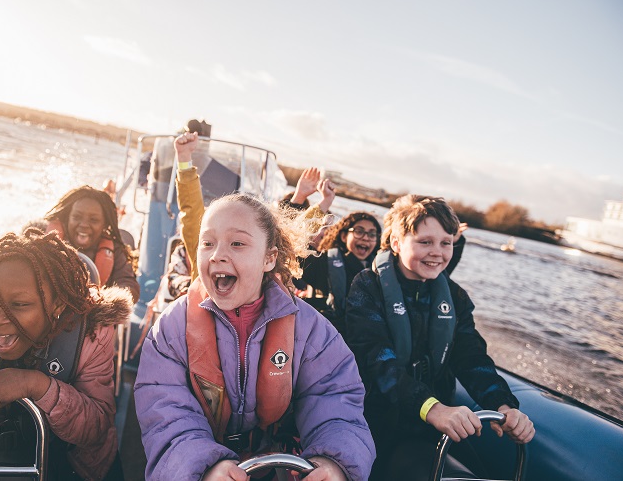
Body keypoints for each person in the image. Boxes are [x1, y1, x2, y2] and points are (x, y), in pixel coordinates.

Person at [133, 193, 375, 481]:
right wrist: (204, 466)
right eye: (207, 243)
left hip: (276, 462)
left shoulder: (312, 331)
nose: (217, 254)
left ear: (269, 258)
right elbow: (166, 413)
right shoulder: (171, 330)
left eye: (237, 243)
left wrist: (334, 462)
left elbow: (336, 401)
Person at [345, 195, 535, 480]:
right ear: (396, 243)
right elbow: (378, 361)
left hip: (432, 427)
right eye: (425, 242)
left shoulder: (456, 298)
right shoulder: (367, 287)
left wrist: (503, 404)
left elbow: (472, 358)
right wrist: (432, 408)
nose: (438, 252)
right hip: (377, 422)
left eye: (446, 243)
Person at [0, 229, 133, 481]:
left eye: (19, 305)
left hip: (70, 465)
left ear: (57, 305)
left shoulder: (91, 334)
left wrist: (37, 386)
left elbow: (96, 428)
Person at [44, 185, 140, 302]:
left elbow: (129, 286)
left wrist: (102, 298)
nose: (84, 224)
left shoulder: (116, 251)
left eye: (93, 220)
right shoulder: (44, 242)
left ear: (105, 224)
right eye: (77, 217)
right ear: (67, 218)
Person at [298, 211, 382, 336]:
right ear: (344, 236)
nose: (365, 238)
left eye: (371, 234)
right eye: (359, 231)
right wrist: (318, 203)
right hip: (323, 336)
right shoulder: (325, 263)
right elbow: (296, 245)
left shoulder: (381, 273)